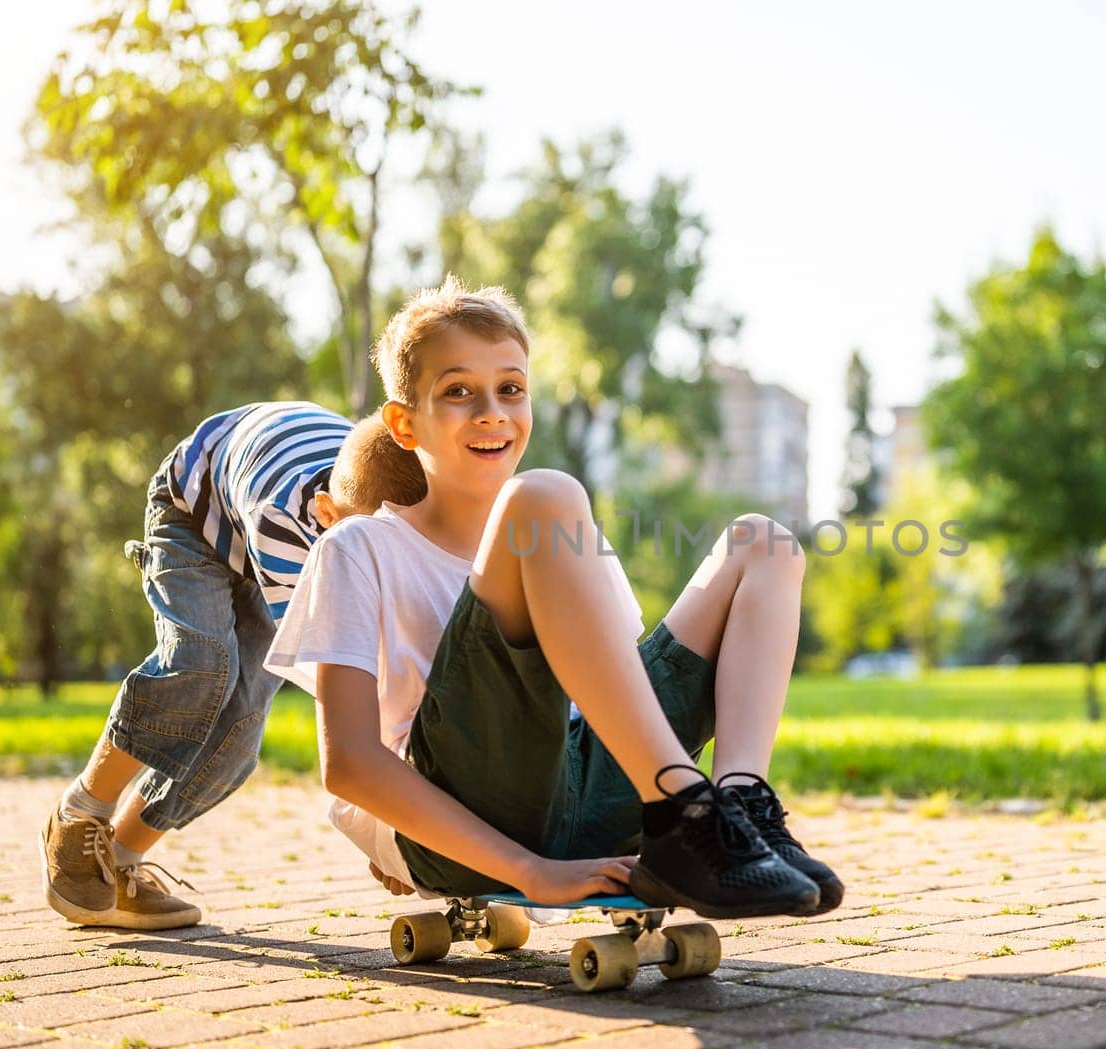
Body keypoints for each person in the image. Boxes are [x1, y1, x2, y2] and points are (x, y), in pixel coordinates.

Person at [266, 276, 843, 919]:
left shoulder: (560, 531)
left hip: (593, 790)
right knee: (546, 497)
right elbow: (349, 766)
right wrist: (528, 871)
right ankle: (687, 810)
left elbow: (617, 693)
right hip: (467, 822)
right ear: (405, 423)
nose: (492, 411)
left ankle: (739, 810)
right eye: (458, 391)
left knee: (763, 543)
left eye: (510, 388)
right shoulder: (360, 548)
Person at [40, 407, 428, 930]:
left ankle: (119, 863)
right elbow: (338, 686)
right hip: (194, 512)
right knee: (202, 667)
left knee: (239, 735)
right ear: (330, 516)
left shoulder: (419, 515)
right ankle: (80, 811)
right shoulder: (288, 523)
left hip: (262, 518)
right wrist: (388, 821)